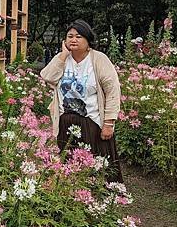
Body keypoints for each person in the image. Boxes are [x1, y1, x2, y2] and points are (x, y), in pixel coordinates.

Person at [40, 19, 122, 181]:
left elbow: (113, 91)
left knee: (96, 161)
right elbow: (47, 77)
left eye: (78, 36)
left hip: (92, 121)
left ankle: (100, 190)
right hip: (66, 120)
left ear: (88, 40)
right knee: (68, 160)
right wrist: (63, 55)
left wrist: (109, 123)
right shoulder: (62, 59)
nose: (73, 40)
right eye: (70, 36)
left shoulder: (99, 59)